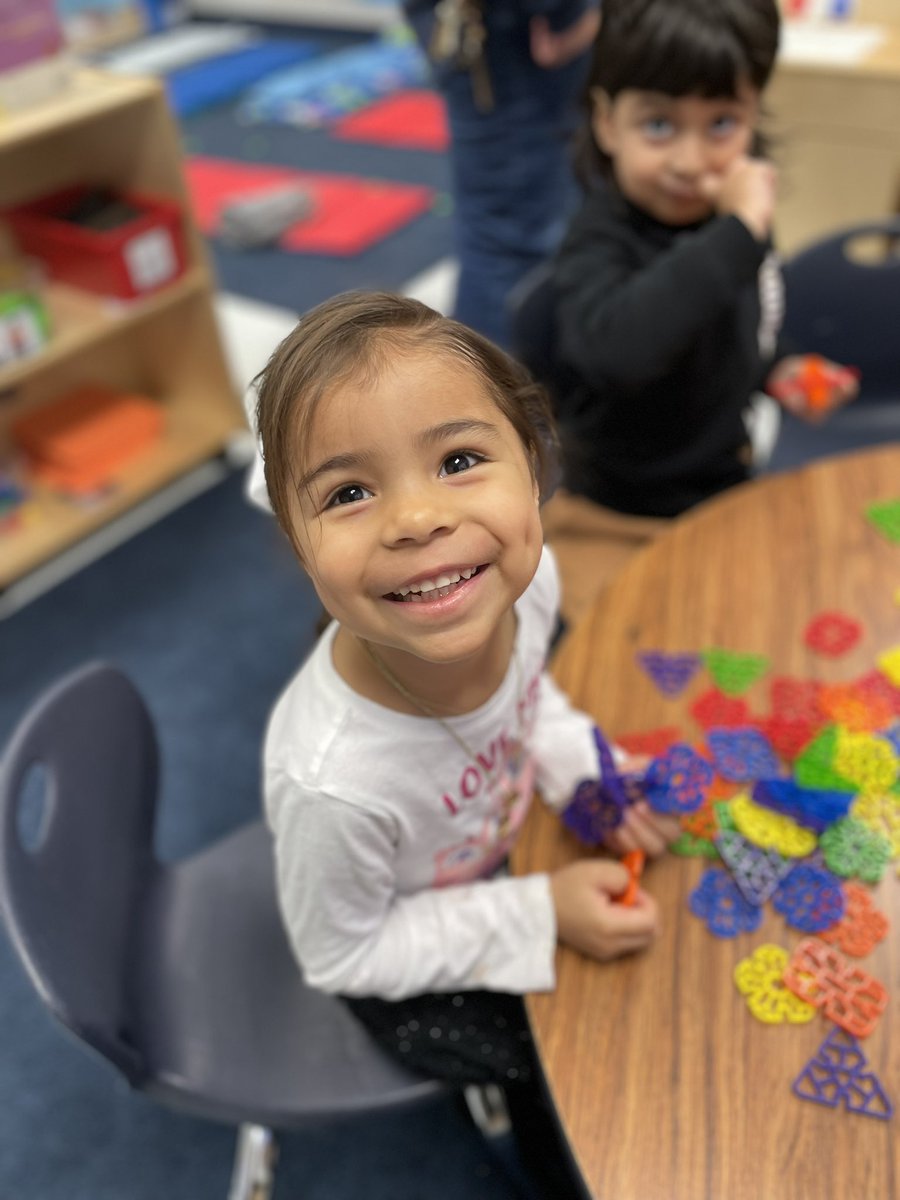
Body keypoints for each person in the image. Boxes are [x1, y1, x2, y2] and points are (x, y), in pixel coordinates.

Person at [252, 290, 679, 1197]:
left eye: (458, 460)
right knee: (573, 1062)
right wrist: (540, 913)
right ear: (298, 548)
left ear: (534, 473)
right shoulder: (335, 785)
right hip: (397, 951)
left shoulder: (524, 585)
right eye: (350, 493)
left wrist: (581, 772)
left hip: (496, 845)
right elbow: (345, 956)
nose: (415, 520)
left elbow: (533, 702)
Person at [539, 0, 859, 620]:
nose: (689, 162)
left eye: (720, 125)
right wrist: (737, 232)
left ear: (751, 119)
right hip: (612, 513)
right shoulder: (601, 236)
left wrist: (780, 368)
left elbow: (748, 321)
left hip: (721, 492)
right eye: (658, 126)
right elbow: (618, 350)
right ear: (607, 124)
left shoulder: (735, 227)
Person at [401, 0, 600, 347]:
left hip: (480, 26)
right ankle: (491, 390)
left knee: (500, 224)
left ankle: (488, 382)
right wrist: (568, 14)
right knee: (512, 238)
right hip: (509, 31)